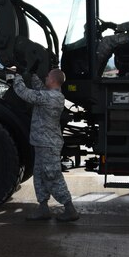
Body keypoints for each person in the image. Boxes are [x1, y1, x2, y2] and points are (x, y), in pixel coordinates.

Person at [12, 68, 79, 222]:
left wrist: (17, 77)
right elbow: (40, 90)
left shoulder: (53, 97)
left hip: (48, 145)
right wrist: (33, 75)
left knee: (52, 175)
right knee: (40, 176)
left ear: (54, 80)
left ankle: (70, 209)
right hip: (42, 143)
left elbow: (26, 94)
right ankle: (43, 208)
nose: (46, 78)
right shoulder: (50, 95)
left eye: (47, 76)